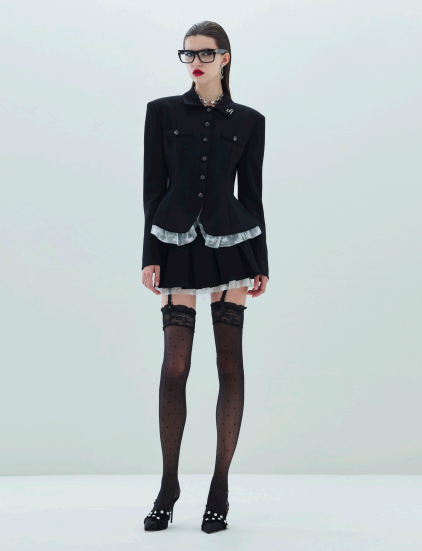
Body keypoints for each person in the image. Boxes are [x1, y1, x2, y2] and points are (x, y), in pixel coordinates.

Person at [142, 20, 269, 533]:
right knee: (175, 366)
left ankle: (219, 486)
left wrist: (262, 262)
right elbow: (153, 187)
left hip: (232, 245)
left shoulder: (250, 120)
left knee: (228, 363)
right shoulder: (162, 112)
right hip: (174, 240)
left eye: (204, 53)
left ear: (225, 58)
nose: (194, 62)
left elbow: (253, 195)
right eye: (188, 54)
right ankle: (168, 484)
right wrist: (149, 253)